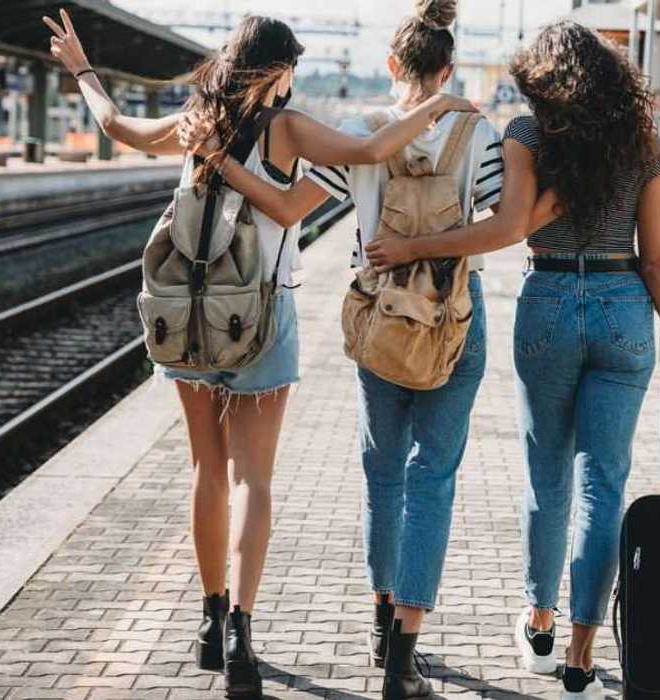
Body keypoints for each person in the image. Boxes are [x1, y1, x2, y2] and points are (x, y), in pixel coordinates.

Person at [43, 9, 475, 698]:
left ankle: (209, 623)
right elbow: (367, 152)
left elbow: (115, 127)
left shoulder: (195, 121)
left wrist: (82, 69)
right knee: (253, 479)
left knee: (205, 469)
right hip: (260, 318)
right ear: (277, 71)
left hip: (186, 317)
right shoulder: (286, 127)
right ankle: (243, 630)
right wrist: (440, 105)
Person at [364, 19, 660, 699]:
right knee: (602, 488)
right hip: (623, 308)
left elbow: (508, 227)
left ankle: (540, 623)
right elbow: (659, 258)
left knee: (547, 480)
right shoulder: (644, 143)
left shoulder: (527, 134)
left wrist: (413, 248)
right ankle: (582, 655)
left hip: (548, 297)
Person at [180, 2, 510, 697]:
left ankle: (378, 620)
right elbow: (499, 222)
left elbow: (288, 207)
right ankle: (403, 659)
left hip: (376, 315)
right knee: (433, 481)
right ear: (448, 69)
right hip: (451, 317)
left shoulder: (360, 132)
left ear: (391, 66)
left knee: (383, 476)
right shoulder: (478, 134)